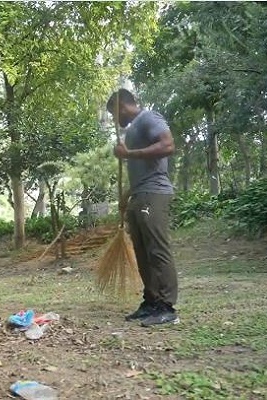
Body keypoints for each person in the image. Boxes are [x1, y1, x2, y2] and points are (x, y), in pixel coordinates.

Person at [106, 88, 179, 327]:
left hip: (154, 193)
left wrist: (129, 154)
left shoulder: (149, 118)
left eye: (114, 114)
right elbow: (141, 170)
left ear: (122, 106)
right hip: (139, 194)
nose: (115, 120)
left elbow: (168, 146)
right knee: (143, 252)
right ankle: (151, 301)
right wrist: (126, 195)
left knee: (157, 249)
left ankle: (167, 306)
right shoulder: (132, 131)